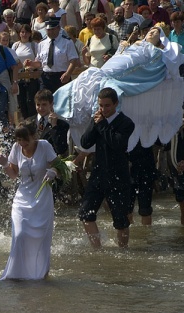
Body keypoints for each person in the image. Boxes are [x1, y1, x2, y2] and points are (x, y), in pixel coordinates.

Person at [53, 27, 184, 153]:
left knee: (107, 79)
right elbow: (118, 57)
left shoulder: (156, 52)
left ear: (160, 38)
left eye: (155, 32)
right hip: (115, 64)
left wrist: (144, 48)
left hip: (128, 67)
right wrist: (124, 47)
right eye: (150, 30)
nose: (151, 32)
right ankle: (57, 111)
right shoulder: (135, 44)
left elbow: (149, 67)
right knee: (87, 80)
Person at [0, 121, 58, 280]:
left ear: (34, 136)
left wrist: (53, 171)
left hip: (42, 197)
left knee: (41, 238)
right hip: (22, 198)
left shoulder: (44, 146)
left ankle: (41, 274)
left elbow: (59, 165)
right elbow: (13, 175)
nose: (23, 144)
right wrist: (4, 165)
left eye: (26, 140)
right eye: (19, 140)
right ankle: (16, 274)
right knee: (20, 234)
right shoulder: (16, 148)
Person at [79, 87, 135, 248]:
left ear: (116, 104)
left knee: (121, 220)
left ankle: (123, 251)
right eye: (101, 105)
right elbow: (85, 143)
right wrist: (94, 124)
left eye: (107, 106)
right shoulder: (98, 120)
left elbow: (117, 144)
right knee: (86, 213)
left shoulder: (126, 123)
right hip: (98, 174)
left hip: (118, 176)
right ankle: (98, 250)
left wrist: (102, 124)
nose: (103, 109)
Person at [24, 18, 79, 93]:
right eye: (48, 30)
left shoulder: (67, 42)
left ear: (58, 28)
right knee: (44, 100)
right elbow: (40, 63)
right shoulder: (42, 44)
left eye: (53, 29)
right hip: (46, 77)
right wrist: (31, 63)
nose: (50, 32)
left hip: (61, 76)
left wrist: (68, 73)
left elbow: (73, 60)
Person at [27, 89, 69, 156]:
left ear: (51, 104)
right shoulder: (28, 123)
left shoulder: (61, 125)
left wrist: (54, 127)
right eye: (38, 105)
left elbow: (61, 149)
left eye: (44, 104)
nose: (40, 108)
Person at [12, 24, 39, 119]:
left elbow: (38, 59)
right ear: (19, 34)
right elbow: (13, 60)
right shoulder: (15, 45)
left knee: (30, 100)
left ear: (30, 34)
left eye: (26, 32)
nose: (24, 34)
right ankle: (25, 122)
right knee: (21, 101)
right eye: (22, 32)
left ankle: (33, 120)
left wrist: (31, 65)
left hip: (32, 76)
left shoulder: (34, 45)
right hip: (19, 76)